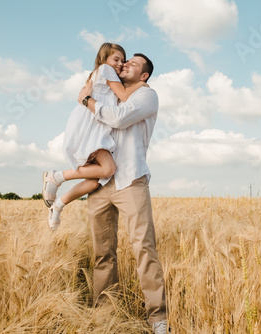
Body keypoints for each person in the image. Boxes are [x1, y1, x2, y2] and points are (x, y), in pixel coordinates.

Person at [77, 53, 168, 333]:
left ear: (144, 76)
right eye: (126, 61)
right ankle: (105, 312)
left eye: (134, 64)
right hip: (102, 183)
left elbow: (118, 119)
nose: (126, 64)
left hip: (131, 180)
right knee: (103, 252)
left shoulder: (146, 96)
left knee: (143, 248)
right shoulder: (111, 96)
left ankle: (158, 318)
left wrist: (86, 100)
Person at [42, 43, 146, 231]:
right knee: (107, 169)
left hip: (97, 126)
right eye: (116, 59)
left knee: (95, 181)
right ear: (103, 58)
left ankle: (58, 205)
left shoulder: (104, 74)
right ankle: (56, 176)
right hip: (92, 127)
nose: (120, 64)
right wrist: (141, 84)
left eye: (122, 60)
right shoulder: (106, 69)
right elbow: (123, 96)